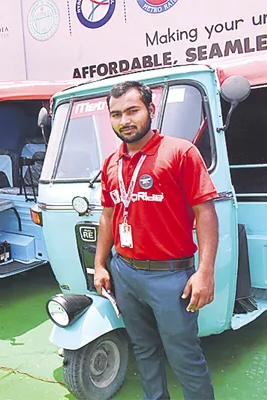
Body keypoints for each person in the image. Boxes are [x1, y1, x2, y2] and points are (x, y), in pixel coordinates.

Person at [94, 81, 218, 400]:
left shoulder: (180, 152)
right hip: (125, 273)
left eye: (133, 111)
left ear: (150, 110)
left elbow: (205, 213)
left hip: (171, 277)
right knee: (144, 351)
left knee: (184, 357)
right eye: (116, 114)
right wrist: (100, 265)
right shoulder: (111, 163)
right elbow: (107, 216)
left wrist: (204, 273)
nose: (125, 120)